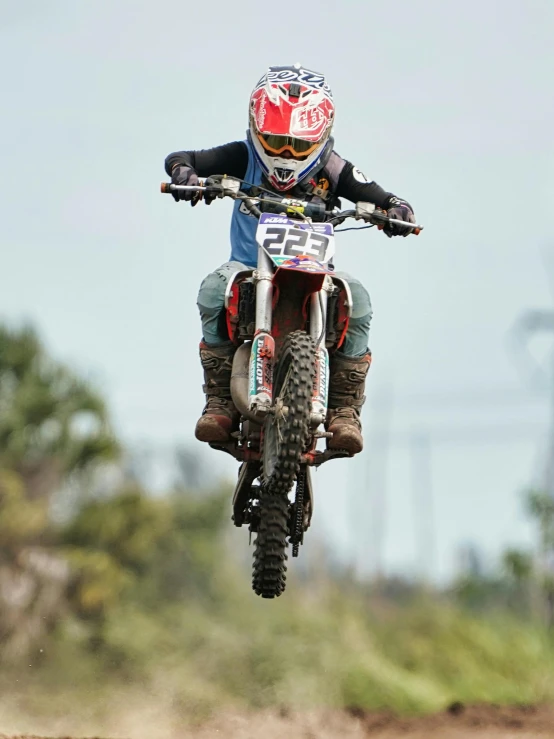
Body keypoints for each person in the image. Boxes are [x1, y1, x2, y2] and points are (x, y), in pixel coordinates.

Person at [165, 64, 416, 456]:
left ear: (320, 139)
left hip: (315, 269)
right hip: (248, 265)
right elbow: (183, 157)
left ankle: (345, 410)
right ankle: (218, 398)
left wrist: (395, 208)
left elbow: (375, 191)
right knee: (214, 290)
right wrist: (186, 175)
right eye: (276, 142)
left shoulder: (332, 168)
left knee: (359, 300)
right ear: (257, 130)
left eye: (297, 146)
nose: (285, 154)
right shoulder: (242, 154)